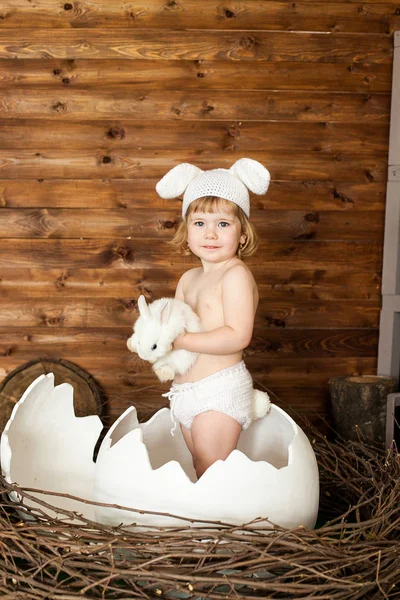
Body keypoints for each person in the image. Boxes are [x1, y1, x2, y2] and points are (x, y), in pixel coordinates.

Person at [155, 159, 271, 478]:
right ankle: (208, 528)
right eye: (200, 223)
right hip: (185, 394)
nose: (210, 233)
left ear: (242, 234)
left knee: (214, 469)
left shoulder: (234, 275)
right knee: (200, 467)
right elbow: (174, 327)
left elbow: (237, 335)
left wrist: (182, 340)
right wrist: (156, 336)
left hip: (218, 391)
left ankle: (222, 528)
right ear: (186, 232)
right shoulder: (188, 279)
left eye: (223, 224)